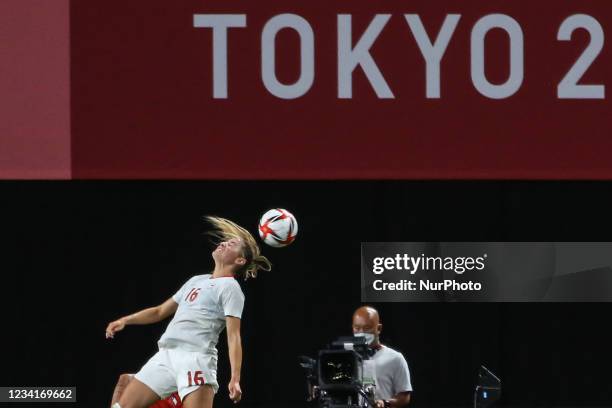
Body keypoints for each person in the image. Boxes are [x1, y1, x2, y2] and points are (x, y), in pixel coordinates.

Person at [105, 216, 271, 408]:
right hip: (167, 355)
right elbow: (159, 311)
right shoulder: (196, 280)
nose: (224, 243)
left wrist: (235, 378)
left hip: (196, 359)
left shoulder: (230, 287)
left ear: (240, 260)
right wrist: (126, 320)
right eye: (226, 241)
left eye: (231, 244)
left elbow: (234, 336)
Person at [352, 306, 412, 408]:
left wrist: (385, 403)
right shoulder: (346, 357)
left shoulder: (395, 358)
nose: (361, 333)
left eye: (367, 328)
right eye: (357, 328)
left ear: (378, 328)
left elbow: (404, 396)